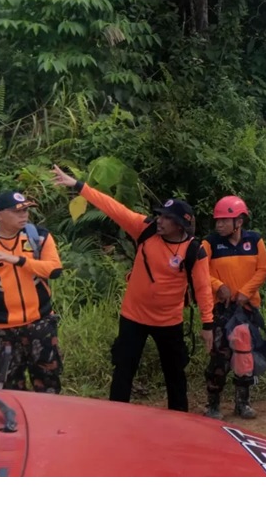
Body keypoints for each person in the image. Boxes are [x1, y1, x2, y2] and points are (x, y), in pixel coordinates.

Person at [51, 165, 214, 412]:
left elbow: (203, 289)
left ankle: (179, 420)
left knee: (175, 374)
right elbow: (112, 207)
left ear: (181, 225)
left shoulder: (194, 251)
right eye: (159, 215)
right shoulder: (145, 229)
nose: (159, 220)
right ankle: (116, 418)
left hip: (169, 321)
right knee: (123, 369)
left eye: (166, 218)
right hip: (133, 317)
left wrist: (208, 324)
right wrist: (78, 185)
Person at [201, 195, 266, 419]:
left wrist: (245, 292)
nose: (219, 225)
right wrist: (218, 285)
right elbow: (200, 271)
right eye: (217, 220)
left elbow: (264, 268)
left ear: (238, 222)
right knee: (219, 357)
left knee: (244, 357)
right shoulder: (210, 243)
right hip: (221, 311)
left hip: (246, 309)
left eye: (224, 220)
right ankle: (213, 404)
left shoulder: (255, 241)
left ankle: (243, 403)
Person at [0, 190, 64, 392]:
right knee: (6, 385)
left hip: (40, 322)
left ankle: (47, 414)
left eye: (26, 210)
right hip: (0, 327)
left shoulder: (38, 237)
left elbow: (54, 270)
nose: (24, 215)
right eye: (17, 211)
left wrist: (18, 260)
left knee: (48, 381)